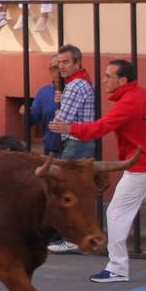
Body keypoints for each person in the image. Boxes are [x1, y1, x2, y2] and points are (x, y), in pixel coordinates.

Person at [48, 59, 146, 283]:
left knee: (116, 212)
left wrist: (70, 128)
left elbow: (101, 127)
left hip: (142, 167)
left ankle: (117, 268)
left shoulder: (128, 103)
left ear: (123, 80)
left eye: (109, 76)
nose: (105, 80)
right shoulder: (145, 95)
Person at [46, 44, 97, 254]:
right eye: (59, 62)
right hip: (81, 141)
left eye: (66, 62)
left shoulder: (75, 85)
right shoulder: (80, 82)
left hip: (76, 142)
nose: (62, 66)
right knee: (75, 190)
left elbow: (63, 119)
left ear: (78, 63)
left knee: (67, 190)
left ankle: (71, 237)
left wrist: (54, 117)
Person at [24, 54, 63, 158]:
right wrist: (26, 113)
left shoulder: (77, 90)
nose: (59, 71)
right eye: (55, 68)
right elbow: (32, 120)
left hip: (73, 150)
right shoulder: (43, 93)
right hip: (50, 151)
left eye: (62, 67)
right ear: (50, 70)